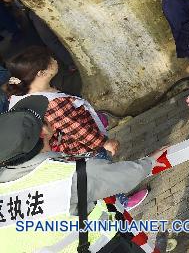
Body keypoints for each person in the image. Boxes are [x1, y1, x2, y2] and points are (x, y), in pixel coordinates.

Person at [0, 95, 157, 252]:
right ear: (43, 131)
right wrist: (150, 161)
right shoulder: (70, 172)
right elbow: (127, 175)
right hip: (100, 247)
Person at [4, 46, 150, 210]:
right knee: (102, 175)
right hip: (82, 149)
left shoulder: (23, 96)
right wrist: (104, 142)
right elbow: (76, 129)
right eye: (50, 60)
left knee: (95, 177)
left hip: (67, 150)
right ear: (41, 73)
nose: (55, 60)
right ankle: (121, 203)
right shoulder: (50, 103)